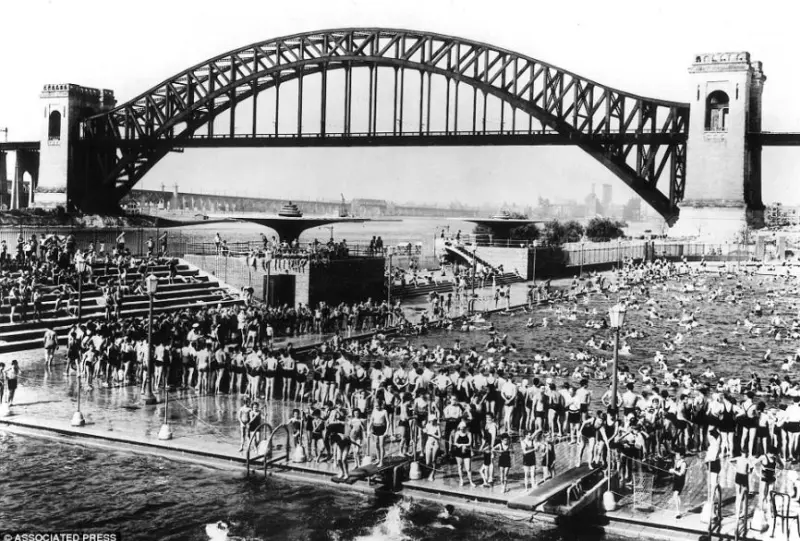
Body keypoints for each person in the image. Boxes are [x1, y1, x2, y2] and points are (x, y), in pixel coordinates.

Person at [451, 420, 475, 487]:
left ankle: (471, 481)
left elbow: (470, 443)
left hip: (467, 451)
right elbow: (455, 442)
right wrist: (460, 445)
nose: (462, 429)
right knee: (460, 466)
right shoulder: (457, 433)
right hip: (458, 452)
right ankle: (461, 479)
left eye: (463, 428)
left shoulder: (469, 433)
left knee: (468, 468)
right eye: (461, 428)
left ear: (465, 428)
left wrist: (463, 445)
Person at [369, 397, 389, 467]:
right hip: (375, 428)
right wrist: (369, 429)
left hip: (382, 429)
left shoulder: (384, 411)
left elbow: (388, 422)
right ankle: (378, 458)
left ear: (380, 405)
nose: (376, 407)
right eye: (375, 406)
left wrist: (387, 431)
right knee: (376, 444)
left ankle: (381, 461)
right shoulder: (374, 410)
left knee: (381, 445)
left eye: (377, 406)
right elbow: (371, 420)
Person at [668, 449, 687, 519]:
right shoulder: (677, 462)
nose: (676, 455)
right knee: (677, 496)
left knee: (675, 495)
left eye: (677, 454)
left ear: (681, 456)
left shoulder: (683, 463)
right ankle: (678, 511)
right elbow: (675, 470)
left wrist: (674, 471)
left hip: (680, 481)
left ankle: (678, 512)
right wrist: (672, 470)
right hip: (676, 480)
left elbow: (681, 473)